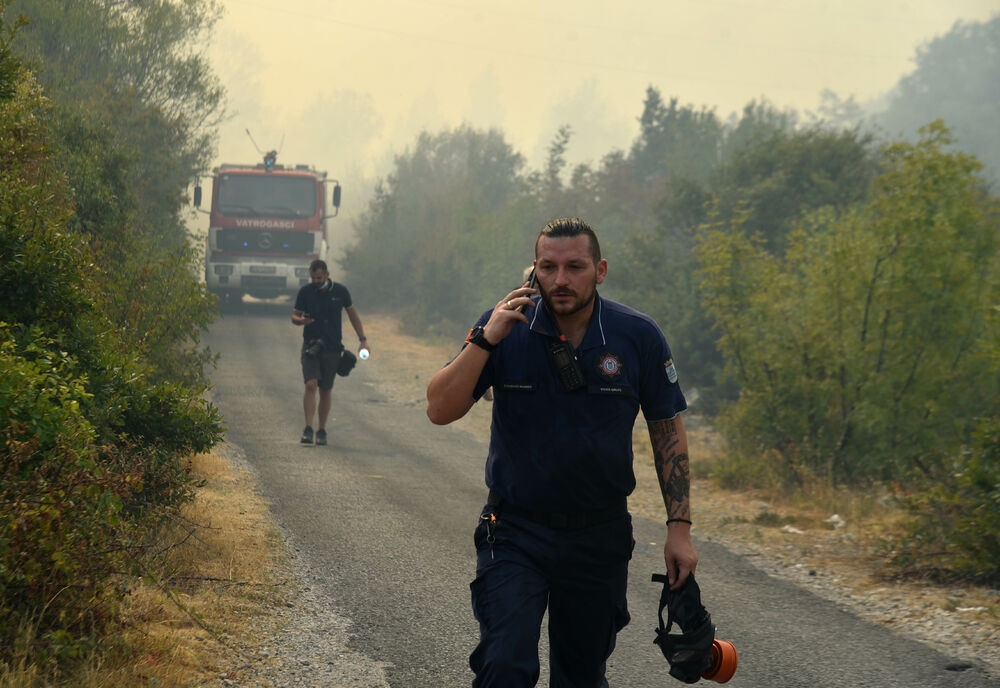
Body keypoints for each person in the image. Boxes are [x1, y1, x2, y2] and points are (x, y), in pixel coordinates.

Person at [426, 217, 697, 687]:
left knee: (580, 677)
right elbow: (439, 408)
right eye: (548, 267)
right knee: (506, 665)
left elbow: (667, 430)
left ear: (601, 270)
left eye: (575, 266)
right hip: (514, 531)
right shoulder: (503, 326)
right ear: (533, 271)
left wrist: (680, 528)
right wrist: (486, 339)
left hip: (598, 536)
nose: (561, 280)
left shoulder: (637, 336)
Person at [291, 259, 369, 445]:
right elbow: (294, 316)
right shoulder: (305, 292)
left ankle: (322, 430)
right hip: (310, 346)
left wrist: (363, 340)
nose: (316, 281)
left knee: (326, 389)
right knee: (311, 384)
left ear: (327, 274)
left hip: (332, 347)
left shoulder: (341, 292)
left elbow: (353, 316)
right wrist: (301, 321)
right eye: (313, 278)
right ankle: (308, 428)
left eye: (319, 278)